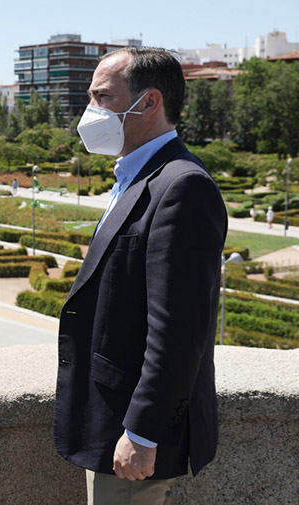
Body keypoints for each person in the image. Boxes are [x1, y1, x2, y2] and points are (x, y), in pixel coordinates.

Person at [55, 47, 227, 504]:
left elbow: (177, 330)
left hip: (133, 434)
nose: (90, 111)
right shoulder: (136, 176)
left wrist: (143, 434)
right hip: (106, 422)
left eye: (102, 96)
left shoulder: (182, 186)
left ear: (149, 102)